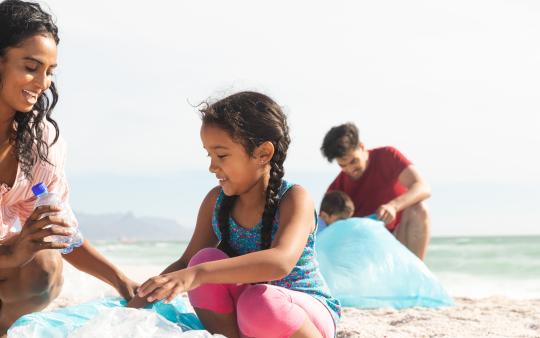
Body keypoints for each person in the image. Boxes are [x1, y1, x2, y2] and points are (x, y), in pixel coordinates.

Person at [130, 92, 340, 338]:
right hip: (248, 318)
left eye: (221, 155)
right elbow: (186, 264)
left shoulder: (294, 198)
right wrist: (139, 302)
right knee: (203, 258)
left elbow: (280, 262)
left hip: (302, 312)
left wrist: (197, 274)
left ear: (263, 153)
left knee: (255, 301)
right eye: (209, 155)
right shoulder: (216, 202)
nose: (212, 166)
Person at [0, 1, 137, 334]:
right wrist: (12, 254)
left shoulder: (40, 142)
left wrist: (122, 282)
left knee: (45, 264)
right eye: (31, 66)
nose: (43, 82)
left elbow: (61, 232)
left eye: (50, 71)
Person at [321, 122, 431, 260]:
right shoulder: (336, 189)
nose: (350, 169)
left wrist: (393, 206)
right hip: (370, 252)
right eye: (343, 165)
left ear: (361, 147)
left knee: (419, 209)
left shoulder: (387, 156)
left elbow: (422, 187)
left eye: (354, 161)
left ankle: (417, 277)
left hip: (400, 237)